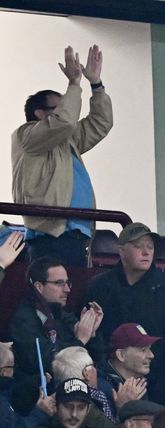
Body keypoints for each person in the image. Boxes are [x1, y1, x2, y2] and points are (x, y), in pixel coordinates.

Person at [13, 45, 111, 266]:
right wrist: (74, 84)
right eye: (59, 107)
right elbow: (64, 121)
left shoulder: (66, 140)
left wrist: (96, 84)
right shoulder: (26, 135)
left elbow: (101, 123)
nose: (68, 111)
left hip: (76, 232)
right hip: (50, 234)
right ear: (40, 113)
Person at [83, 222, 165, 406]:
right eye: (138, 246)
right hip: (105, 381)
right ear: (121, 251)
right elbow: (90, 335)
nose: (146, 252)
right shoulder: (98, 287)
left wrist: (162, 390)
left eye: (150, 246)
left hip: (156, 387)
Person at [8, 256, 103, 415]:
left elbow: (97, 356)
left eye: (67, 283)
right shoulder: (23, 319)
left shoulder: (62, 314)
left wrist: (92, 332)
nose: (67, 289)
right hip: (36, 402)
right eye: (59, 283)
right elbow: (48, 361)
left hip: (72, 394)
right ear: (39, 286)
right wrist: (80, 341)